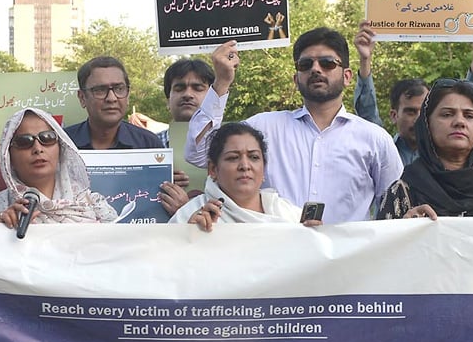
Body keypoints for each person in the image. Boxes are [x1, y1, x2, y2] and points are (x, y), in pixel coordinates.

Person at [186, 30, 402, 223]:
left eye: (327, 63)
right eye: (306, 65)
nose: (316, 69)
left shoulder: (374, 139)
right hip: (278, 260)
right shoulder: (264, 127)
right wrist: (222, 82)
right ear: (296, 79)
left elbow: (396, 209)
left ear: (347, 76)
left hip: (350, 263)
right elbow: (199, 153)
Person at [375, 77, 473, 219]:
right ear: (427, 124)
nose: (459, 122)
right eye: (447, 114)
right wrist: (403, 230)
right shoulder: (402, 192)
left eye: (469, 116)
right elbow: (383, 248)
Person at [352, 17, 473, 167]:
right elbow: (367, 113)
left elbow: (467, 100)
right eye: (411, 112)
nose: (418, 118)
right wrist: (365, 59)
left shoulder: (446, 152)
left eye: (423, 111)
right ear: (394, 115)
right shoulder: (383, 150)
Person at [66, 56, 189, 215]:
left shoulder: (148, 143)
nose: (111, 98)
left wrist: (169, 187)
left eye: (119, 89)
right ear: (82, 98)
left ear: (128, 94)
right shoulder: (62, 143)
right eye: (100, 90)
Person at [0, 108, 117, 226]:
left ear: (60, 148)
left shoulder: (94, 205)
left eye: (47, 138)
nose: (38, 148)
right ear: (8, 155)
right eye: (24, 141)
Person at [171, 123, 319, 231]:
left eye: (254, 157)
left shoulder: (290, 215)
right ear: (213, 169)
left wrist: (315, 237)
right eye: (233, 158)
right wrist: (188, 238)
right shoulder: (190, 216)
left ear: (264, 168)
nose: (245, 166)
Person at [159, 58, 214, 191]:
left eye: (198, 88)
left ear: (213, 99)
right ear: (168, 101)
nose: (188, 94)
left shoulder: (232, 144)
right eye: (179, 88)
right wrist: (156, 180)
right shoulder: (148, 144)